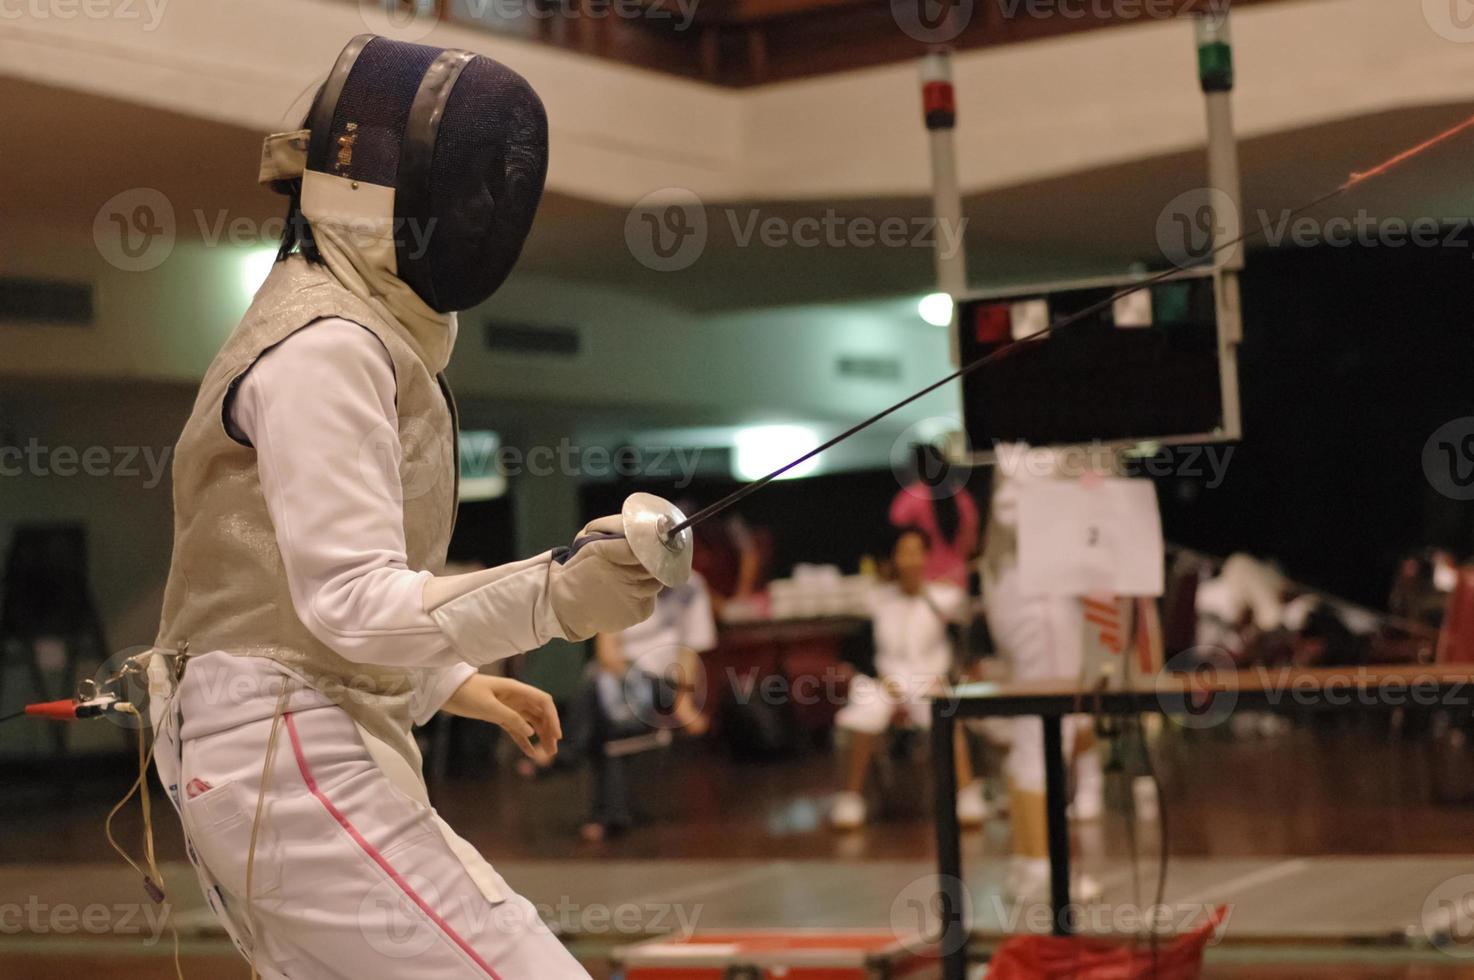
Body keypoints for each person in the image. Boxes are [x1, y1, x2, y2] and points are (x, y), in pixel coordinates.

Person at [145, 36, 661, 979]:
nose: (484, 215)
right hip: (288, 756)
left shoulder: (358, 331)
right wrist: (559, 596)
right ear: (390, 198)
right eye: (467, 190)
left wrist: (445, 682)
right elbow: (346, 598)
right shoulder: (326, 346)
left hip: (286, 744)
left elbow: (298, 599)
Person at [830, 526, 986, 830]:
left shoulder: (944, 599)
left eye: (917, 552)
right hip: (885, 682)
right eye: (904, 553)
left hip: (931, 681)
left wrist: (953, 676)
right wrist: (880, 679)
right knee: (866, 713)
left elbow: (971, 636)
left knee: (947, 713)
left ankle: (967, 793)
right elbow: (857, 650)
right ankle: (851, 797)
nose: (911, 560)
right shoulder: (874, 601)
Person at [575, 572, 718, 841]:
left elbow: (689, 651)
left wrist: (683, 699)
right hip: (620, 676)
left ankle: (563, 752)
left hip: (661, 683)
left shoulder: (691, 587)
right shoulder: (616, 577)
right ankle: (610, 815)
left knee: (597, 695)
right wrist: (622, 679)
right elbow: (607, 651)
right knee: (606, 714)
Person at [889, 446, 980, 588]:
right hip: (958, 581)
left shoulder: (910, 498)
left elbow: (896, 538)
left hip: (925, 584)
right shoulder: (963, 498)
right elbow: (972, 544)